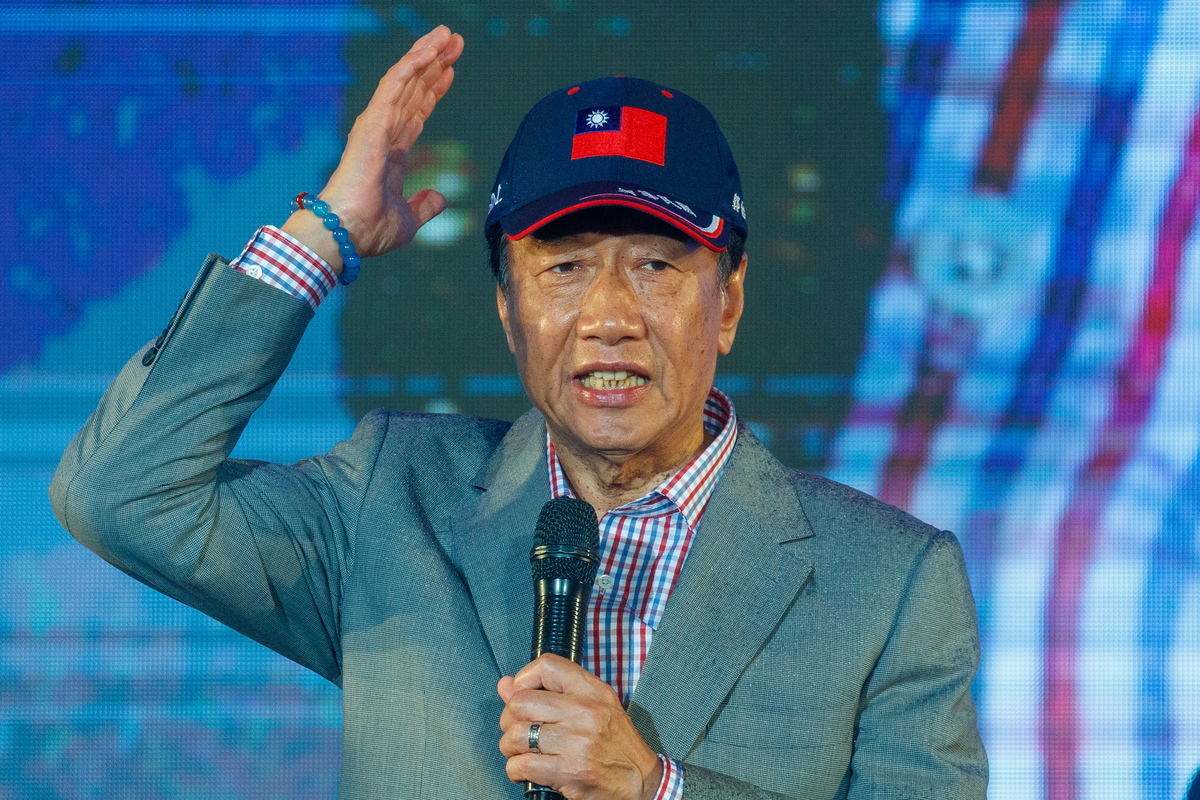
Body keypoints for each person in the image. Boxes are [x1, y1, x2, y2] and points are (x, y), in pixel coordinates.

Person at [50, 25, 987, 800]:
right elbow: (119, 495)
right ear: (507, 308)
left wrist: (658, 788)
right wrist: (327, 232)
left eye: (655, 265)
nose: (609, 317)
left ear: (729, 302)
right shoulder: (391, 500)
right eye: (565, 266)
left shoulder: (890, 584)